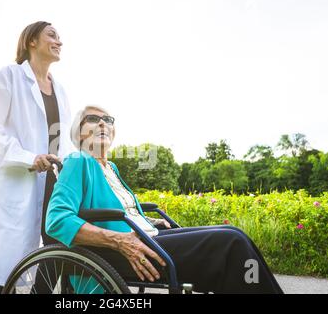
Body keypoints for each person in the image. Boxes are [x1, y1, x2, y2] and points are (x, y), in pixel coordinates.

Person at [45, 105, 284, 294]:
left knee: (234, 234)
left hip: (146, 236)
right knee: (230, 243)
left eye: (108, 120)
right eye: (92, 119)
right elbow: (57, 220)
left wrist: (149, 220)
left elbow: (117, 210)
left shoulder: (111, 168)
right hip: (118, 252)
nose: (102, 123)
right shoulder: (79, 161)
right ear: (78, 132)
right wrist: (119, 241)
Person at [0, 21, 75, 294]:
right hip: (16, 178)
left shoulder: (60, 90)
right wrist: (28, 158)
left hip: (53, 178)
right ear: (31, 41)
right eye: (52, 35)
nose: (59, 41)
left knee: (57, 243)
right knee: (7, 257)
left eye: (60, 37)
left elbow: (62, 140)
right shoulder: (8, 77)